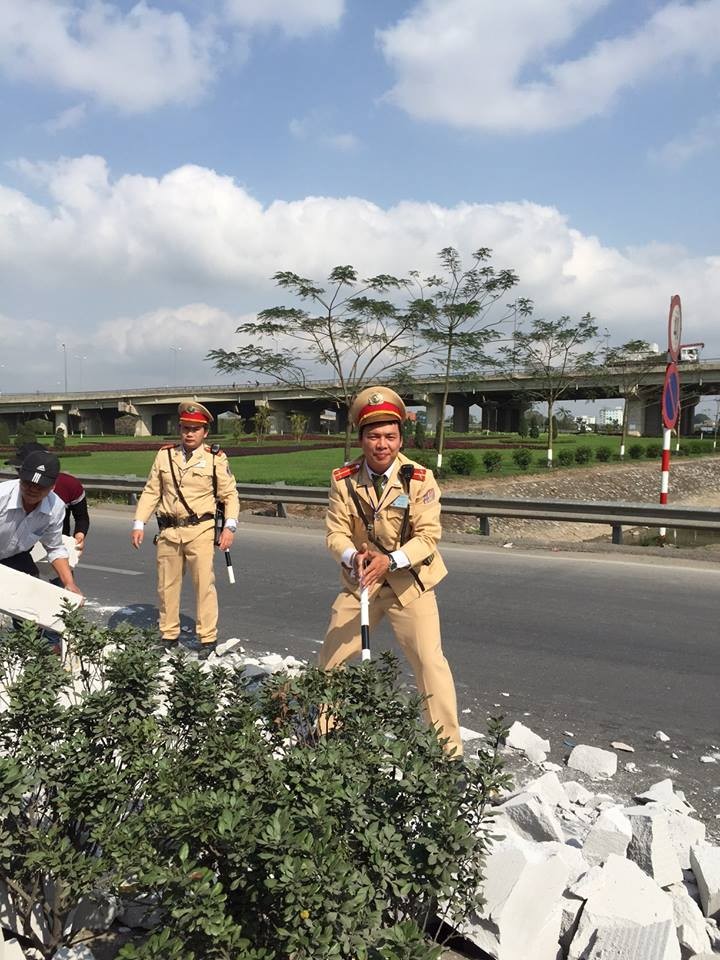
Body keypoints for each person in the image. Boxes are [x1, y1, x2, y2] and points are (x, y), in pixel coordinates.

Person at [319, 386, 462, 756]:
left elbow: (429, 537)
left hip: (407, 585)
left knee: (430, 664)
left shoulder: (418, 479)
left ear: (400, 438)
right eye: (373, 436)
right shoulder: (344, 479)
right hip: (361, 584)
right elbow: (334, 532)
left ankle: (448, 755)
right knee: (330, 661)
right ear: (362, 438)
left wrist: (391, 560)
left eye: (390, 436)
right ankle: (319, 739)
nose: (381, 444)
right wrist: (352, 557)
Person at [131, 400, 240, 657]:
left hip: (200, 530)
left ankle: (207, 638)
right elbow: (151, 491)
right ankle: (168, 634)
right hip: (169, 531)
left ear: (205, 433)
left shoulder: (215, 459)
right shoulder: (165, 455)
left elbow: (230, 495)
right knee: (166, 585)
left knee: (204, 585)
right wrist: (138, 522)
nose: (189, 433)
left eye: (195, 429)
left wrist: (230, 528)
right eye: (185, 428)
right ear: (179, 429)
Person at [0, 449, 83, 595]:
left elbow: (55, 548)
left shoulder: (55, 507)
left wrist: (69, 584)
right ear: (20, 477)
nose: (32, 490)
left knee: (31, 598)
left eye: (40, 486)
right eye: (27, 483)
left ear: (53, 486)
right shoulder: (2, 496)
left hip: (15, 556)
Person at [6, 442, 90, 553]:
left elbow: (82, 517)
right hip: (20, 549)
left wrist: (79, 535)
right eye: (19, 471)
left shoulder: (70, 485)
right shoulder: (12, 490)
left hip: (57, 545)